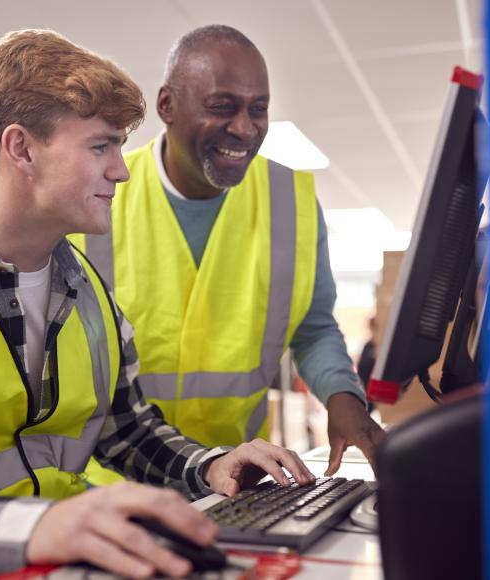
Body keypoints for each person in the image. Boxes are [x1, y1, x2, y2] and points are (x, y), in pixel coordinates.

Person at [0, 29, 317, 579]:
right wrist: (38, 528)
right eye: (100, 146)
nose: (121, 168)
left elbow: (127, 430)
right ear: (21, 148)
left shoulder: (89, 291)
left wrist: (211, 465)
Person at [74, 24, 386, 475]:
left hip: (238, 478)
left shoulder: (291, 202)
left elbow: (313, 327)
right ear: (167, 105)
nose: (244, 128)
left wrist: (344, 399)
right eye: (222, 107)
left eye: (258, 109)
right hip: (113, 483)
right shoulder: (101, 194)